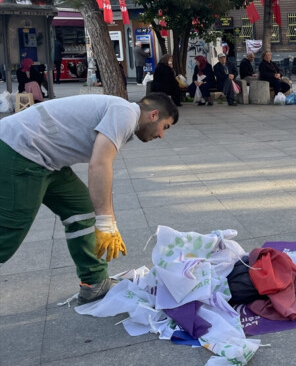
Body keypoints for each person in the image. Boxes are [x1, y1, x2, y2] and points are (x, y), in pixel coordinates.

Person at [0, 93, 178, 305]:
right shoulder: (126, 114)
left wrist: (108, 220)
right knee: (9, 231)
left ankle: (94, 283)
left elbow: (103, 173)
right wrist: (106, 222)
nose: (161, 136)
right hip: (20, 151)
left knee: (81, 209)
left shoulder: (123, 114)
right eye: (165, 127)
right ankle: (94, 279)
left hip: (45, 159)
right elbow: (100, 164)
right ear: (154, 115)